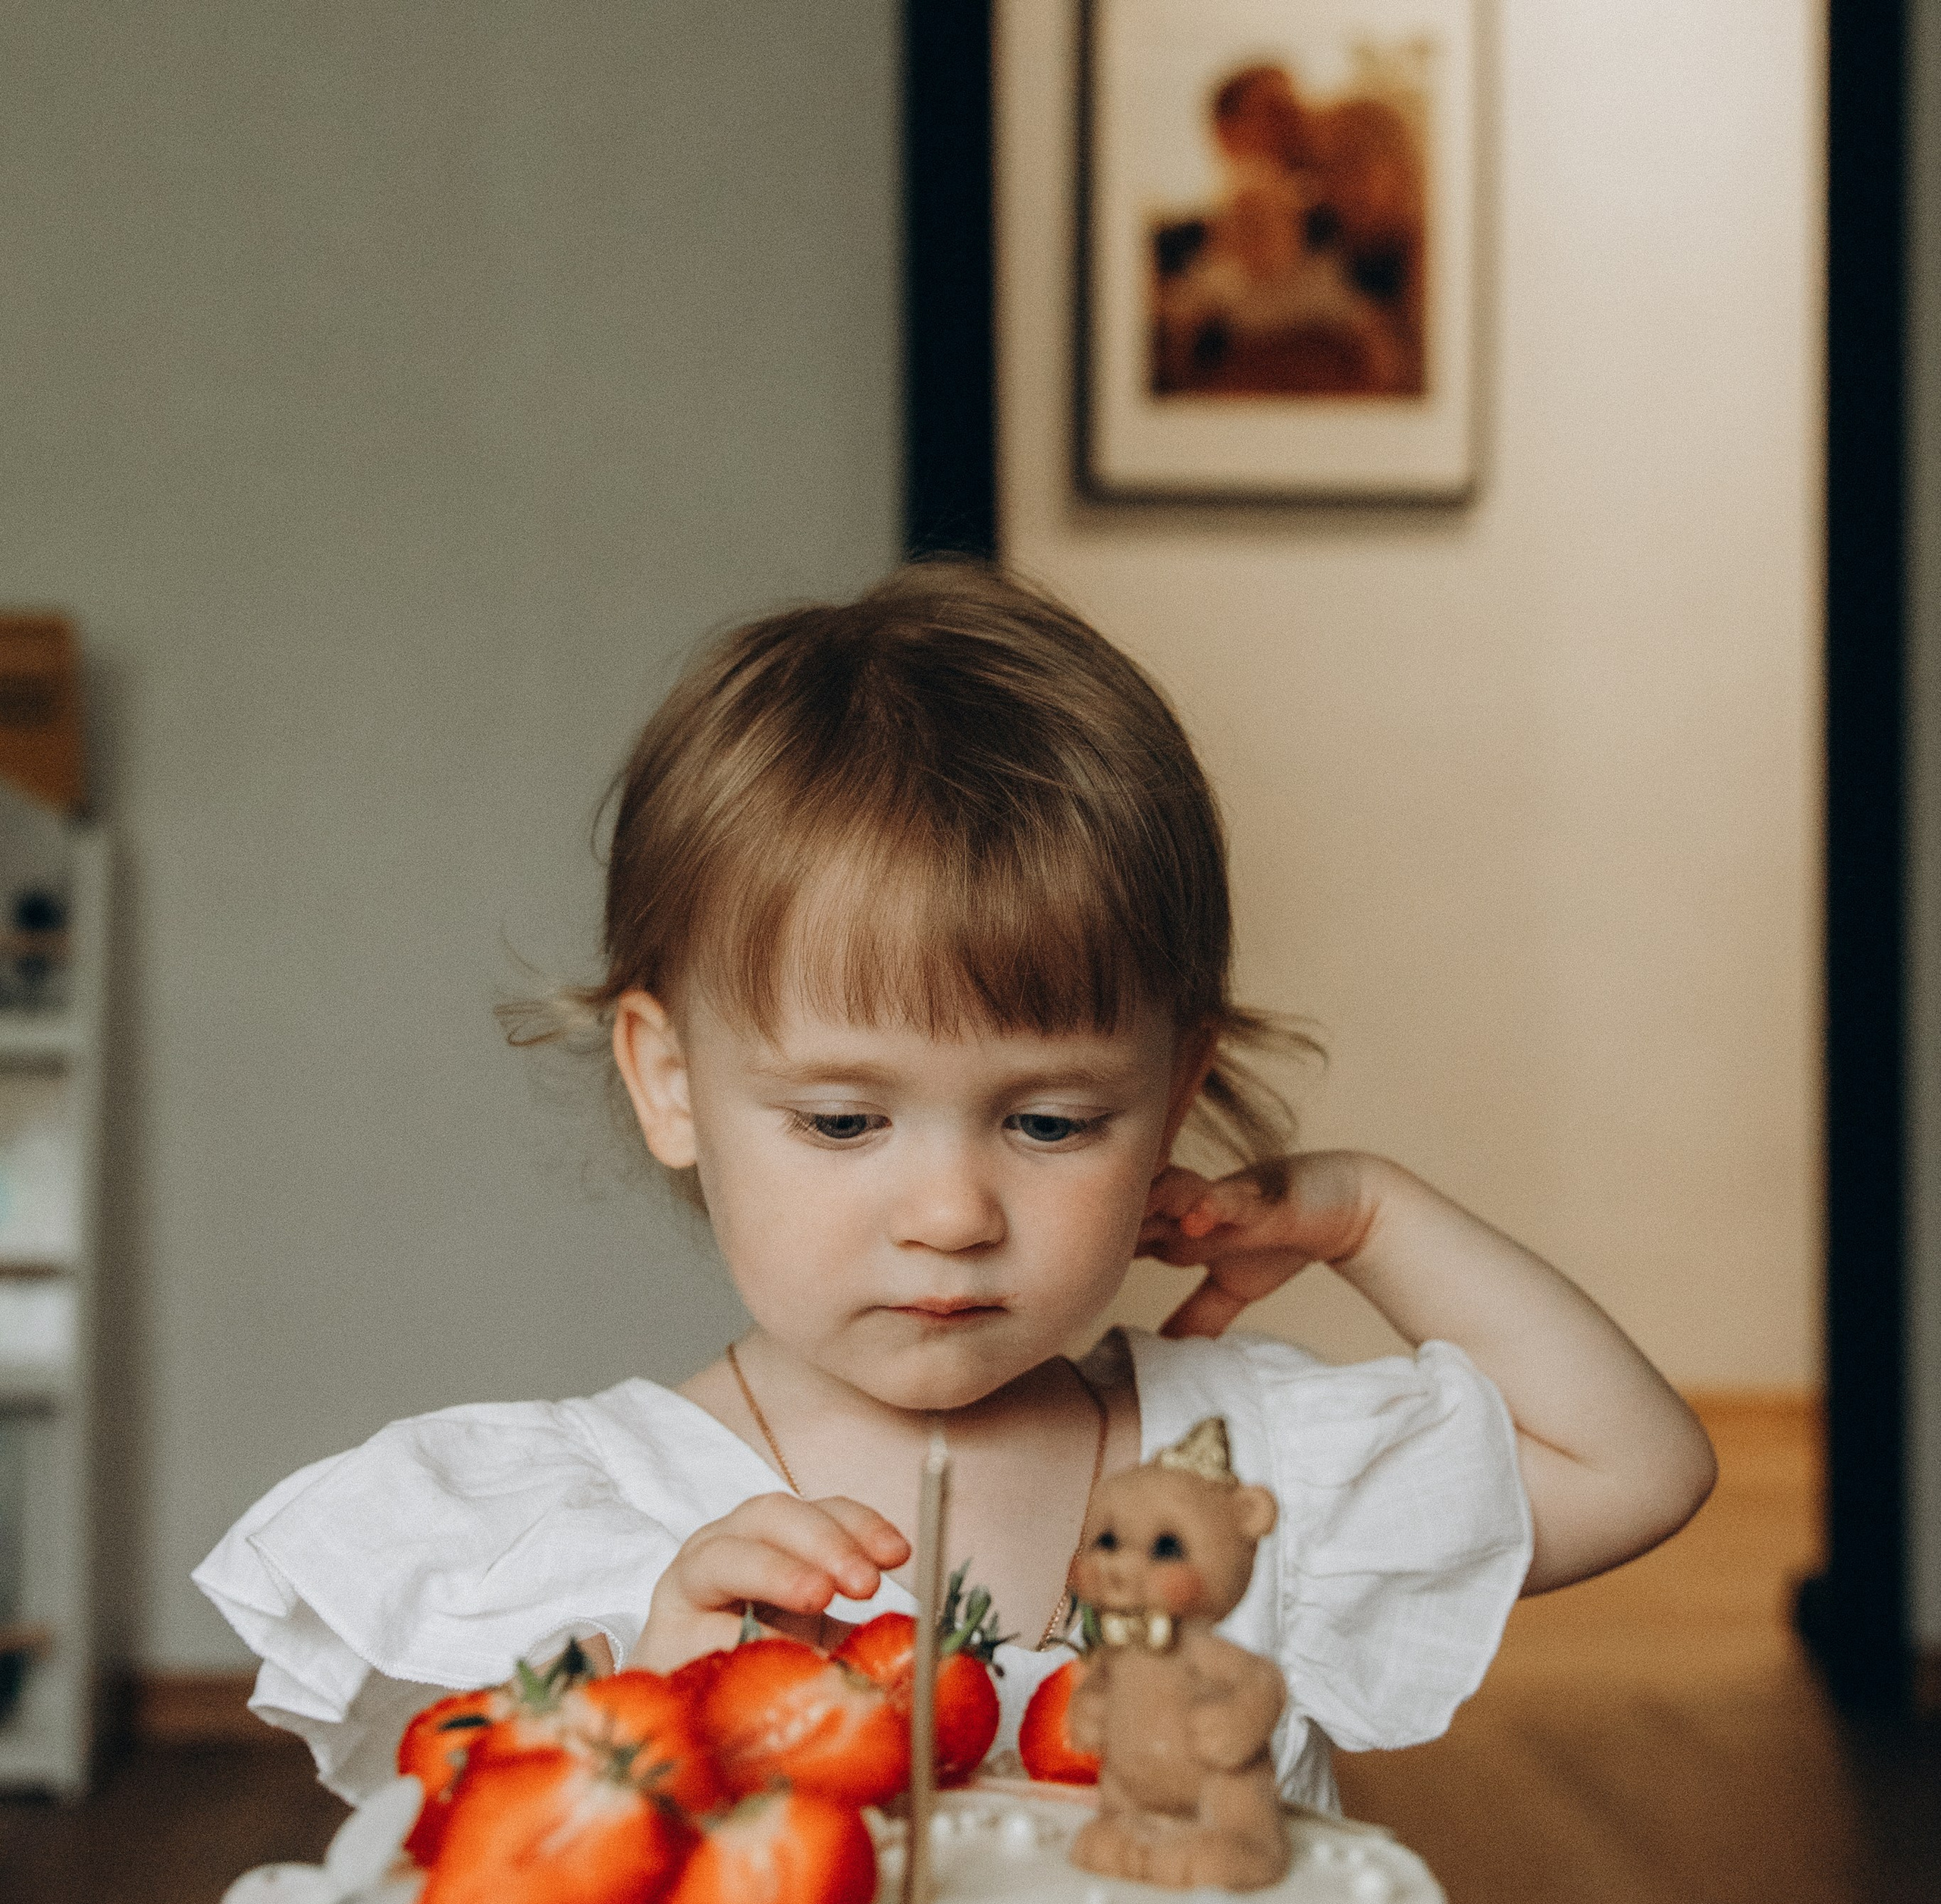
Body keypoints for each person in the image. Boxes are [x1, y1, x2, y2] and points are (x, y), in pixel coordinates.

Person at [197, 563, 1715, 1813]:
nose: (949, 1214)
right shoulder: (585, 1530)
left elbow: (1631, 1465)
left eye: (1049, 1124)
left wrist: (1373, 1214)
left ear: (1171, 1097)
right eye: (847, 1122)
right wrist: (663, 1690)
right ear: (670, 1082)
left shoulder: (1243, 1473)